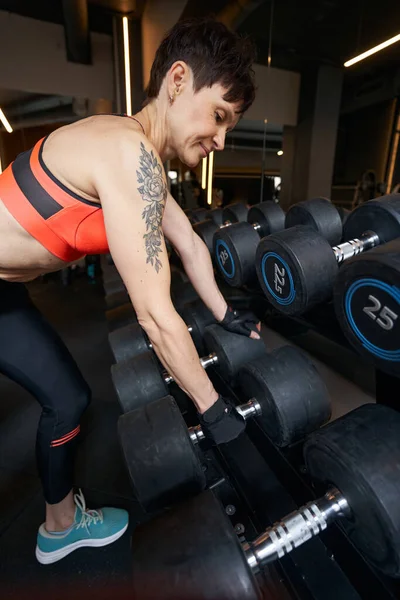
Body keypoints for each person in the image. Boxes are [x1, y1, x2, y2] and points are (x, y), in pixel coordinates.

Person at [0, 17, 258, 564]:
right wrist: (215, 414)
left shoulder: (136, 153)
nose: (221, 139)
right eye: (218, 116)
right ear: (178, 79)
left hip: (4, 294)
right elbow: (156, 317)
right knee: (67, 397)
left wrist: (224, 312)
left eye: (230, 126)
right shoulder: (128, 153)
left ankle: (59, 525)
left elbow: (189, 242)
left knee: (67, 398)